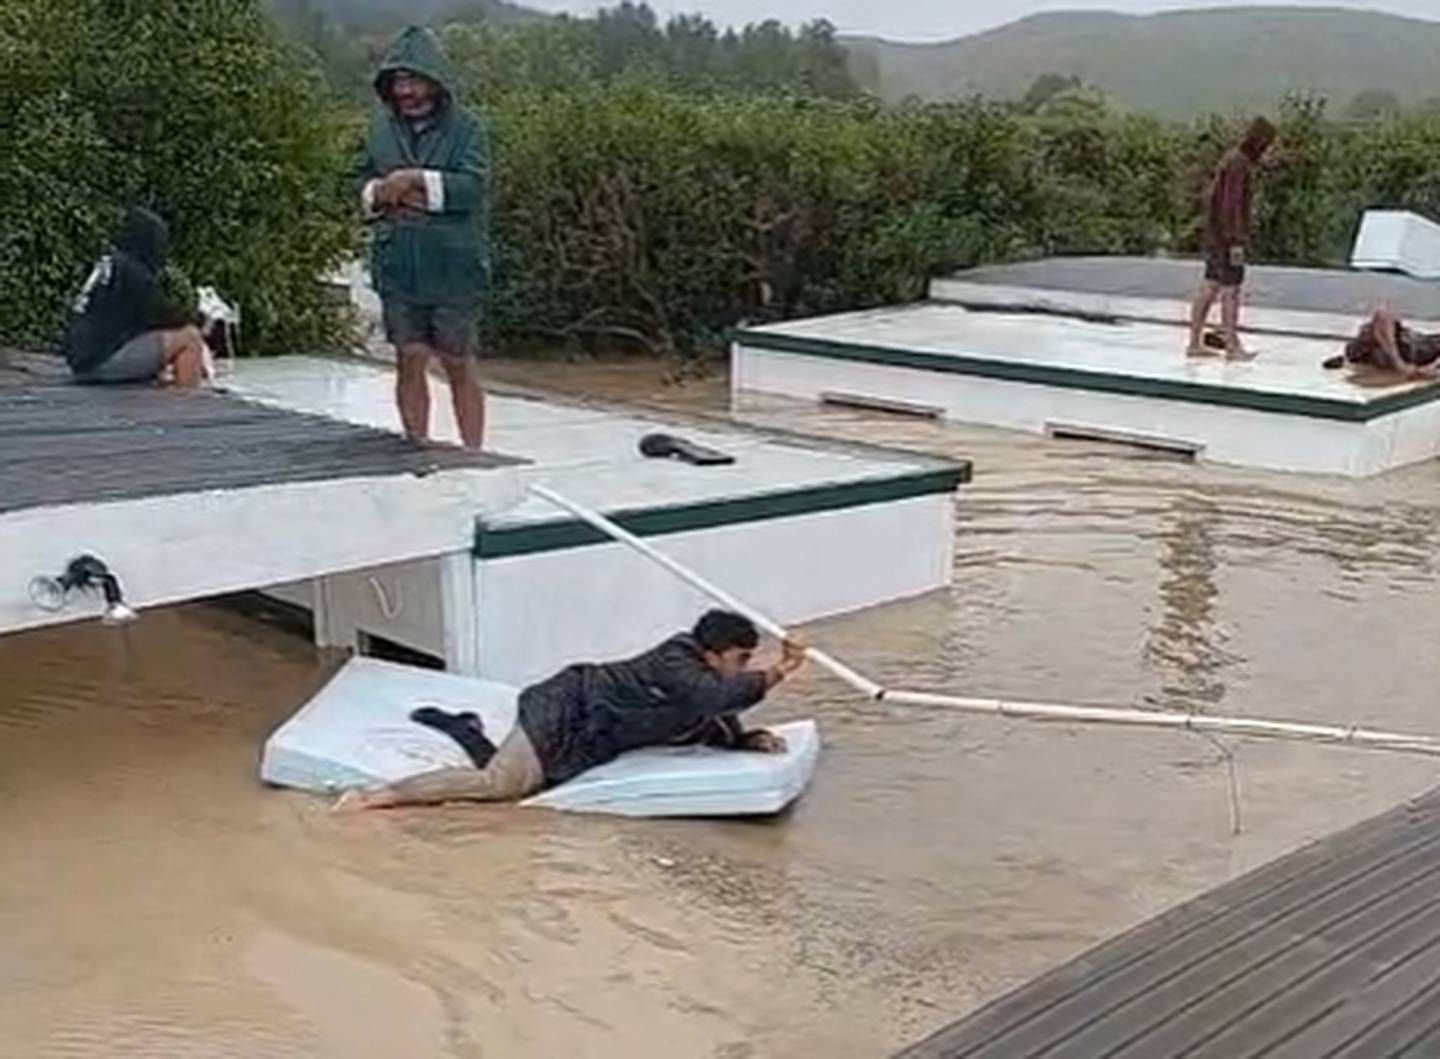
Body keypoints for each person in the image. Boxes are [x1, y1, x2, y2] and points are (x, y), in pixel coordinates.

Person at [334, 610, 807, 811]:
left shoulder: (702, 689)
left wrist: (749, 739)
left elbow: (714, 720)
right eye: (741, 660)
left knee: (530, 786)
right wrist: (781, 669)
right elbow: (711, 698)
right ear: (715, 652)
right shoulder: (675, 660)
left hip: (589, 737)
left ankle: (467, 728)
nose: (745, 668)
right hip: (566, 704)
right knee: (500, 785)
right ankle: (377, 797)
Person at [357, 26, 490, 449]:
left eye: (413, 80)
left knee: (457, 361)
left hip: (454, 266)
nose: (406, 91)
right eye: (398, 82)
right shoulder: (378, 130)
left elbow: (472, 187)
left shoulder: (468, 129)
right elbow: (352, 180)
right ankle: (416, 446)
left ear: (434, 81)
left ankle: (474, 451)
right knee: (409, 356)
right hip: (398, 263)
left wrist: (415, 180)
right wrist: (379, 192)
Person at [63, 207, 207, 387]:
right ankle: (188, 402)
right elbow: (162, 315)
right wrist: (199, 319)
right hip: (100, 363)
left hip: (81, 361)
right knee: (190, 338)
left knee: (154, 339)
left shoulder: (110, 263)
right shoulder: (135, 273)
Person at [1186, 117, 1278, 361]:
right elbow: (1232, 205)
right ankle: (1231, 346)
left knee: (1211, 285)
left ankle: (1195, 342)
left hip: (1217, 235)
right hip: (1227, 237)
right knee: (1231, 290)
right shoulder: (1240, 165)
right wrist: (1236, 241)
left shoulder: (1232, 160)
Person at [1323, 304, 1440, 379]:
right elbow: (1382, 314)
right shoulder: (1356, 352)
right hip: (1403, 352)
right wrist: (1400, 364)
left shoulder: (1356, 353)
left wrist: (1425, 369)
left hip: (1417, 351)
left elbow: (1382, 315)